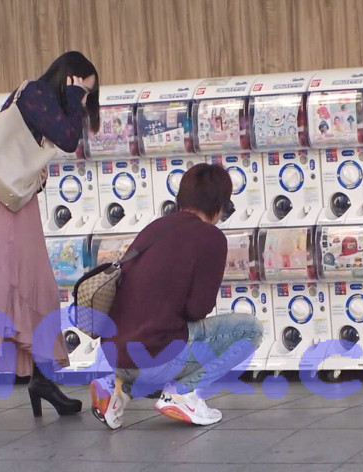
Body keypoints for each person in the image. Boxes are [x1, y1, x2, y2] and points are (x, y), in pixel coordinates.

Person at [0, 51, 100, 443]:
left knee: (38, 289)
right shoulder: (35, 93)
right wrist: (75, 99)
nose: (85, 99)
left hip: (17, 202)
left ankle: (43, 381)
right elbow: (68, 139)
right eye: (83, 89)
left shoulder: (38, 102)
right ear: (69, 78)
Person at [89, 163, 264, 430]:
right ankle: (183, 394)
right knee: (250, 330)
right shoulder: (212, 238)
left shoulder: (154, 229)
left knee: (153, 340)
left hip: (115, 355)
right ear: (219, 205)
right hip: (156, 358)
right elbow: (197, 309)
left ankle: (116, 391)